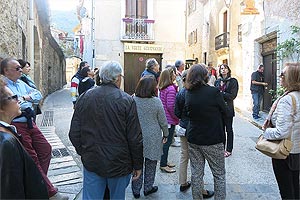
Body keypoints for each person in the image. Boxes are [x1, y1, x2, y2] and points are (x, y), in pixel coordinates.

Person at [69, 61, 144, 199]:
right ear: (117, 78)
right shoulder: (127, 100)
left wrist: (85, 152)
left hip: (93, 160)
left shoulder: (85, 97)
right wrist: (138, 165)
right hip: (119, 163)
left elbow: (74, 133)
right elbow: (134, 138)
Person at [0, 58, 68, 200]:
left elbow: (38, 94)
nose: (21, 70)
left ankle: (37, 182)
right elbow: (22, 104)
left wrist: (25, 97)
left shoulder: (21, 83)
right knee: (32, 158)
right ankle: (48, 190)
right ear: (6, 71)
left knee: (45, 149)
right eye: (17, 68)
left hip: (29, 122)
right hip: (18, 123)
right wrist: (26, 100)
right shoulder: (4, 86)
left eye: (20, 68)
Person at [0, 75, 48, 199]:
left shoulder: (8, 133)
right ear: (1, 108)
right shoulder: (6, 141)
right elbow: (10, 190)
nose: (19, 100)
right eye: (14, 97)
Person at [185, 64, 227, 200]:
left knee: (196, 173)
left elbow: (185, 112)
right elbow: (226, 112)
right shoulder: (213, 92)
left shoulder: (188, 92)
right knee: (219, 174)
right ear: (205, 76)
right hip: (212, 139)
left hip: (194, 138)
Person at [262, 63, 300, 200]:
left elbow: (281, 132)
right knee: (295, 187)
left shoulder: (288, 100)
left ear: (292, 78)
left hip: (285, 152)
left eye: (283, 74)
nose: (280, 76)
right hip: (296, 151)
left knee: (286, 191)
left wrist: (265, 133)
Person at [174, 70, 214, 198]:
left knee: (184, 155)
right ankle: (201, 189)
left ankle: (183, 182)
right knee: (197, 161)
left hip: (183, 127)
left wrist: (183, 119)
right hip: (194, 129)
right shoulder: (196, 92)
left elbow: (177, 112)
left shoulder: (181, 92)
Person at [131, 75, 169, 198]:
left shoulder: (133, 99)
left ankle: (136, 190)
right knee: (151, 164)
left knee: (137, 163)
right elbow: (163, 121)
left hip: (136, 136)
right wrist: (166, 134)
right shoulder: (156, 101)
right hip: (153, 137)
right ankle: (148, 187)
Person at [214, 64, 239, 157]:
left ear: (228, 70)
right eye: (221, 69)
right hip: (218, 109)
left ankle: (229, 149)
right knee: (220, 130)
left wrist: (221, 93)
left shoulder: (233, 81)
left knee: (229, 129)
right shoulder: (217, 81)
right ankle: (221, 148)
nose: (223, 70)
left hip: (228, 109)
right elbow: (214, 95)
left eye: (225, 68)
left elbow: (232, 96)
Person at [158, 68, 179, 173]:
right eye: (174, 73)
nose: (175, 75)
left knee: (165, 142)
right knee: (167, 142)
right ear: (170, 76)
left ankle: (164, 161)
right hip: (169, 120)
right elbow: (171, 106)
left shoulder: (163, 88)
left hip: (165, 118)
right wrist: (176, 117)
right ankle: (163, 164)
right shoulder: (170, 89)